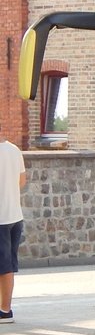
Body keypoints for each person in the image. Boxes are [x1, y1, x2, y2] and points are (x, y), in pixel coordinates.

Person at [0, 124, 26, 323]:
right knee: (8, 265)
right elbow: (21, 181)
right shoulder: (14, 150)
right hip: (15, 217)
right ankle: (5, 308)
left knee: (5, 266)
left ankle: (5, 310)